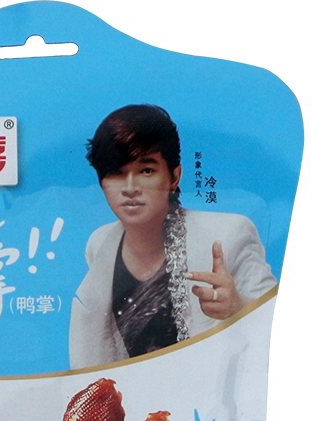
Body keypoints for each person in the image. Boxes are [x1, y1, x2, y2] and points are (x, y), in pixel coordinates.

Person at [69, 105, 276, 369]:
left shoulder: (228, 234)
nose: (130, 188)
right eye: (116, 172)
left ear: (174, 176)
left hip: (209, 391)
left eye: (146, 170)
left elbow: (283, 325)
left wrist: (239, 308)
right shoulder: (100, 243)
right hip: (128, 393)